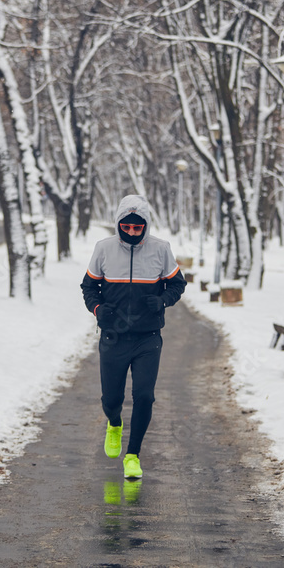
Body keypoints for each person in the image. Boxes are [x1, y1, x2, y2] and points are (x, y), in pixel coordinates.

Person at [80, 195, 186, 480]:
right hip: (113, 336)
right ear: (118, 224)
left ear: (146, 226)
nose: (131, 233)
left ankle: (133, 455)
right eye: (126, 227)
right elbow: (88, 287)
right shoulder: (103, 249)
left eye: (137, 228)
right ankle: (114, 423)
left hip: (147, 337)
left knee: (144, 396)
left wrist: (163, 300)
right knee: (111, 399)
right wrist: (98, 308)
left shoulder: (160, 249)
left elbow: (178, 284)